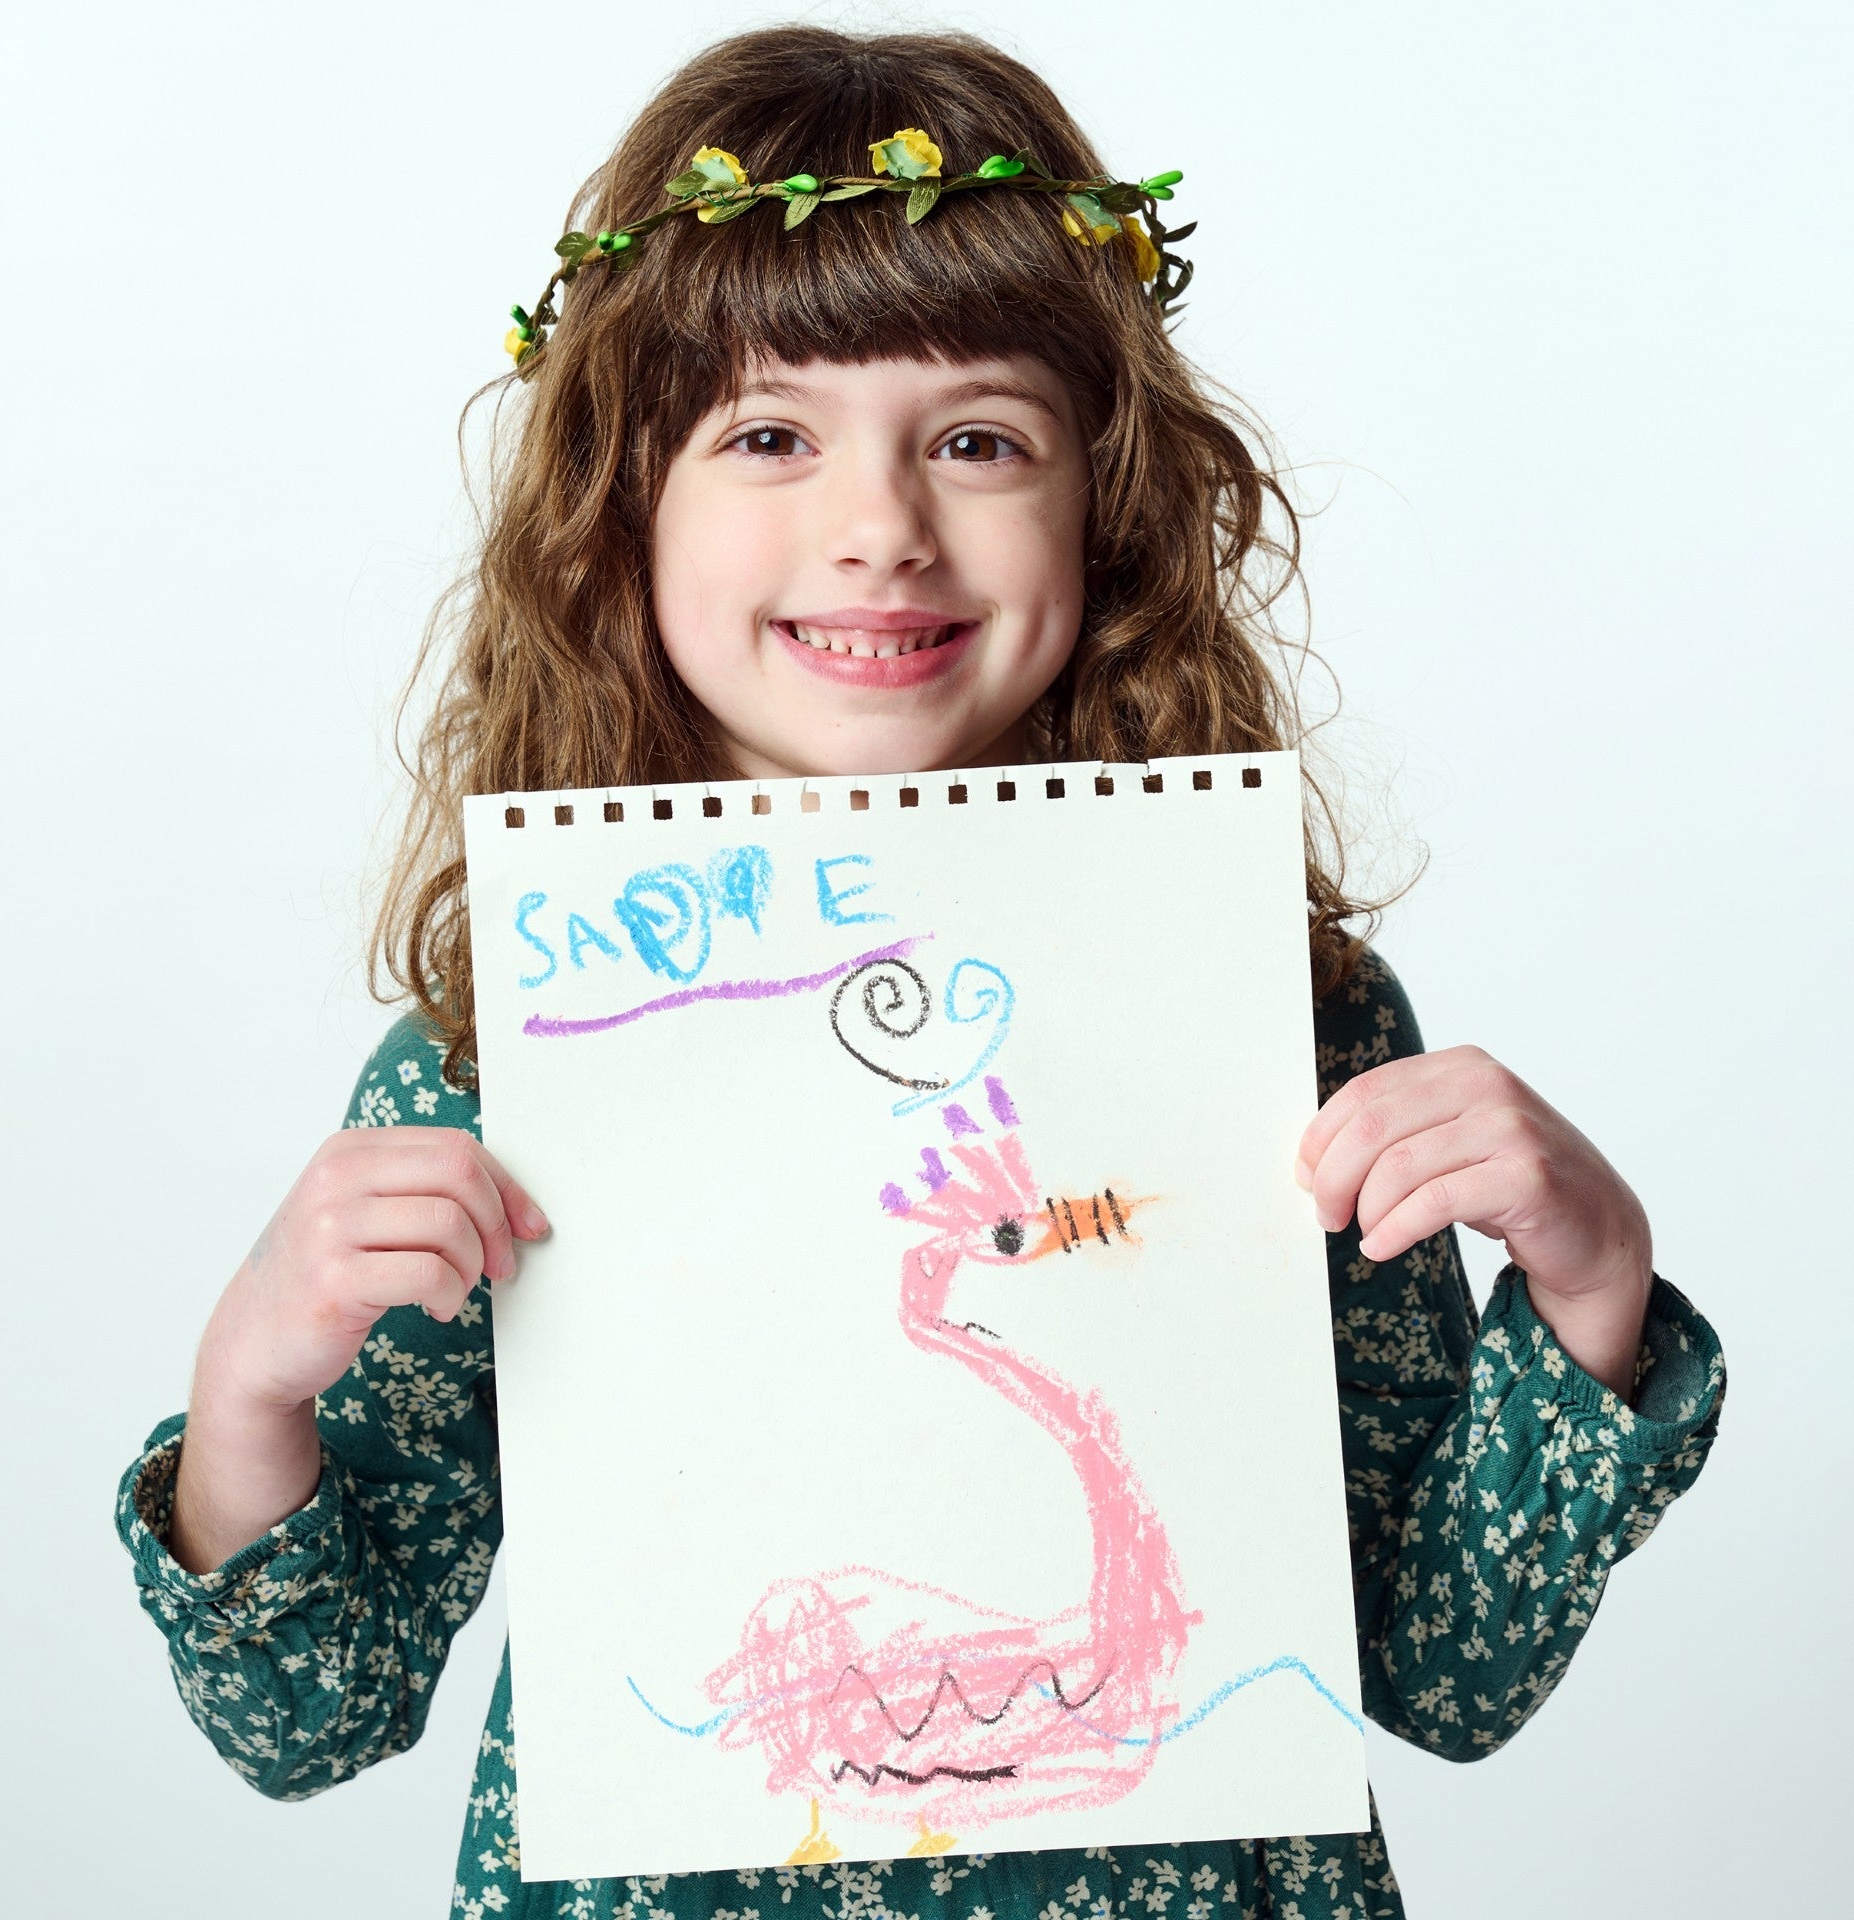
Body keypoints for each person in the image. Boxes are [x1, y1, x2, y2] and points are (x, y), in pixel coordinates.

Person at [113, 24, 1726, 1920]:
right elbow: (309, 1720)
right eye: (770, 435)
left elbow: (1444, 1673)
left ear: (1108, 504)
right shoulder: (491, 1070)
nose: (878, 523)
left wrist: (1590, 1290)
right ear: (622, 504)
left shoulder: (1282, 1026)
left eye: (976, 438)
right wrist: (249, 1406)